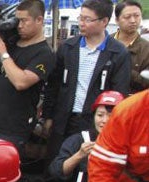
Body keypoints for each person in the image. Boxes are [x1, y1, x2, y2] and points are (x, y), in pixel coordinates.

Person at [43, 0, 131, 158]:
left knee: (87, 168)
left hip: (94, 122)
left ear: (104, 21)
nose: (81, 23)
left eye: (87, 19)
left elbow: (119, 94)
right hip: (64, 118)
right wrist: (48, 116)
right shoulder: (68, 47)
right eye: (80, 18)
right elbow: (54, 84)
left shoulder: (118, 53)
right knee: (56, 163)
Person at [0, 0, 55, 154]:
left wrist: (3, 53)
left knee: (3, 173)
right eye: (17, 20)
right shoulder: (12, 44)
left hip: (14, 128)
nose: (19, 25)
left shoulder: (45, 54)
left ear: (39, 20)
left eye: (24, 21)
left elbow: (21, 82)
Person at [49, 90, 124, 182]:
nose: (104, 120)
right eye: (100, 115)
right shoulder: (80, 140)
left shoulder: (128, 142)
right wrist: (79, 155)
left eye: (111, 116)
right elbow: (55, 172)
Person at [113, 0, 149, 93]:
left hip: (132, 102)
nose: (133, 21)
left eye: (137, 16)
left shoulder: (146, 48)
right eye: (127, 17)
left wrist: (124, 68)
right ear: (117, 20)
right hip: (103, 101)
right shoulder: (105, 42)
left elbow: (146, 83)